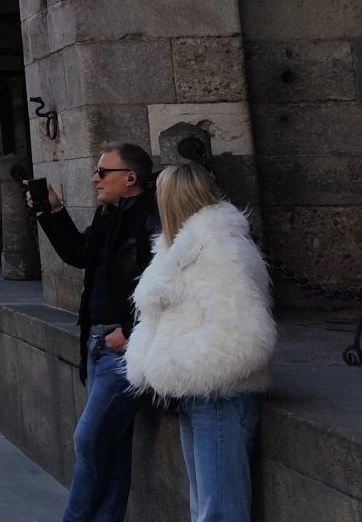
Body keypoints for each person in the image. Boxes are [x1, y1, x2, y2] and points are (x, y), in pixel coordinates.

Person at [125, 163, 274, 522]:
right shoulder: (180, 248)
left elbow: (245, 332)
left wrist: (176, 364)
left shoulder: (221, 249)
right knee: (206, 506)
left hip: (220, 394)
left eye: (159, 194)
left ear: (172, 199)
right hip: (197, 393)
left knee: (219, 510)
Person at [30, 142, 162, 522]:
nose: (94, 178)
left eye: (103, 172)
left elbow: (164, 285)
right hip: (98, 341)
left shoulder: (152, 220)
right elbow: (80, 254)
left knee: (89, 440)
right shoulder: (110, 214)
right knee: (111, 448)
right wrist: (49, 209)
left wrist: (129, 332)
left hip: (122, 347)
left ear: (130, 177)